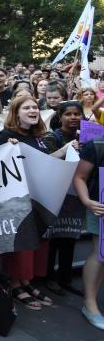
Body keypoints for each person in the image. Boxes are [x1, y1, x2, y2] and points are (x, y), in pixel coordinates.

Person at [0, 95, 76, 310]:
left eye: (35, 108)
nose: (33, 111)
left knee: (33, 243)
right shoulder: (6, 136)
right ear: (16, 112)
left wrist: (67, 148)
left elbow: (46, 161)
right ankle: (15, 284)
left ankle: (26, 282)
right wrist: (9, 150)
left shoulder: (38, 136)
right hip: (16, 200)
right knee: (20, 244)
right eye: (27, 108)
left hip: (37, 197)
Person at [43, 101, 83, 297]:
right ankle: (49, 277)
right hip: (56, 193)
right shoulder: (52, 136)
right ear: (60, 117)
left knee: (70, 237)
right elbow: (46, 160)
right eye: (69, 114)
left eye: (77, 114)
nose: (74, 118)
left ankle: (65, 278)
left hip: (76, 193)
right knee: (55, 239)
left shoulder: (86, 135)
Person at [71, 134, 104, 330]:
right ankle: (90, 303)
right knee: (100, 253)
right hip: (100, 206)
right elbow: (79, 176)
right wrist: (87, 201)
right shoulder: (97, 145)